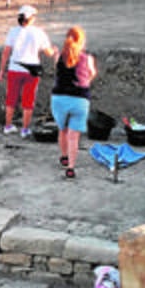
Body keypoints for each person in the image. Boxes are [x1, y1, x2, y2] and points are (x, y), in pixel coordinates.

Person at [0, 5, 56, 139]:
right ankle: (24, 129)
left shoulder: (13, 31)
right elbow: (48, 52)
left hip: (15, 68)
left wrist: (2, 70)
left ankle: (8, 126)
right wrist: (54, 51)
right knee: (28, 100)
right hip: (32, 69)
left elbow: (6, 52)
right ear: (31, 18)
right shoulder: (39, 32)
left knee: (11, 98)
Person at [51, 26, 97, 179]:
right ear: (82, 41)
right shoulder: (88, 58)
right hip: (80, 100)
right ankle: (71, 167)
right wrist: (85, 82)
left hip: (59, 99)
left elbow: (58, 72)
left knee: (62, 130)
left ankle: (64, 157)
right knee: (73, 136)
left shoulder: (58, 56)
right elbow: (91, 74)